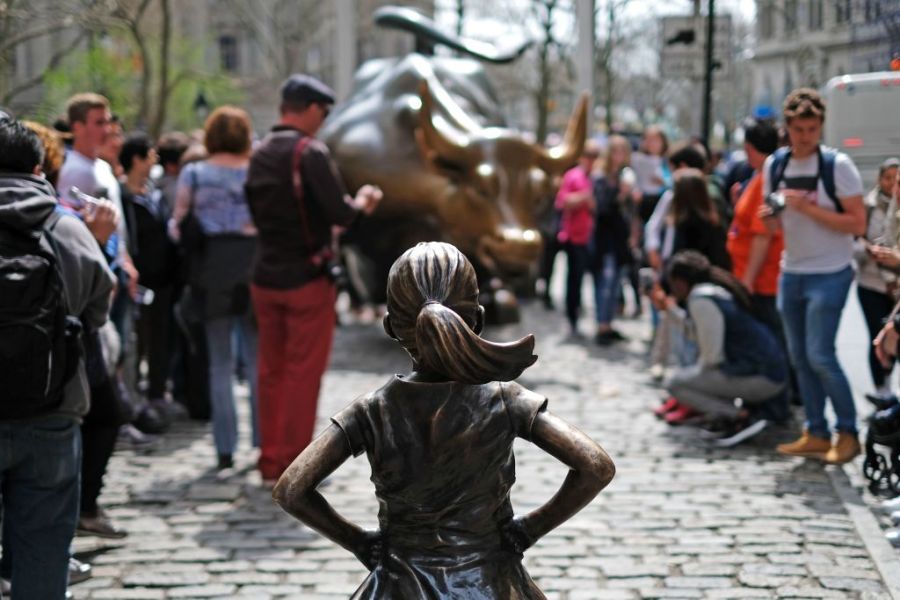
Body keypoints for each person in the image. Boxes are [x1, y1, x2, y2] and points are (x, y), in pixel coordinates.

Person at [272, 241, 616, 597]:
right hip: (490, 584)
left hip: (397, 584)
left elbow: (291, 489)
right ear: (478, 320)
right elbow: (595, 465)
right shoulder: (506, 400)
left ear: (390, 327)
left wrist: (358, 542)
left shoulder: (370, 411)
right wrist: (529, 529)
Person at [244, 74, 382, 484]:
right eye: (322, 112)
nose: (323, 120)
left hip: (264, 275)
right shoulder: (310, 152)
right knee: (303, 372)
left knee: (270, 370)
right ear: (306, 109)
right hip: (306, 276)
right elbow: (342, 215)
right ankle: (293, 463)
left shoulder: (260, 152)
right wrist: (364, 204)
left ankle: (270, 458)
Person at [0, 118, 115, 598]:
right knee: (45, 554)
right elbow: (98, 310)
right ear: (37, 166)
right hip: (51, 409)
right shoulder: (64, 225)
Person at [763, 88, 867, 465]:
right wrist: (772, 215)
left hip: (831, 271)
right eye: (799, 129)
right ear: (787, 129)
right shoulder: (775, 165)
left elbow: (857, 222)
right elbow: (774, 223)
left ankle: (849, 431)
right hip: (792, 271)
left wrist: (806, 207)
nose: (806, 136)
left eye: (812, 128)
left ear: (821, 126)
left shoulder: (837, 166)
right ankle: (816, 431)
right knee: (801, 357)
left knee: (821, 354)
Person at [171, 106, 259, 471]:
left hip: (211, 268)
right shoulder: (256, 171)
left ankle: (225, 448)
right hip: (253, 265)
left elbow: (176, 225)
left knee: (219, 363)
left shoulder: (194, 172)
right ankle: (263, 442)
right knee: (256, 362)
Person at [658, 251, 787, 446]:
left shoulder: (701, 300)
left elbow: (712, 358)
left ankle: (738, 416)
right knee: (689, 377)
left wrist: (694, 377)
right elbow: (698, 334)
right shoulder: (714, 291)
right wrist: (669, 310)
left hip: (762, 378)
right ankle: (731, 414)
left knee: (675, 383)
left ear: (680, 282)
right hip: (768, 373)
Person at [120, 133, 180, 416]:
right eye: (150, 155)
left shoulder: (154, 192)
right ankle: (135, 397)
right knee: (136, 341)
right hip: (138, 281)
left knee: (160, 339)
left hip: (163, 280)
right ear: (136, 159)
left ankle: (156, 392)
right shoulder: (122, 198)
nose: (155, 160)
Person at [855, 158, 900, 399]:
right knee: (879, 336)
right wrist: (870, 251)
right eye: (890, 179)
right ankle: (882, 391)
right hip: (872, 283)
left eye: (898, 180)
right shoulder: (869, 205)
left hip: (896, 288)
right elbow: (856, 239)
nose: (894, 186)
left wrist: (895, 258)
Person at [591, 135, 636, 344]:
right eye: (616, 151)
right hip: (605, 238)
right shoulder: (601, 177)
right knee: (606, 282)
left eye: (623, 151)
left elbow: (629, 212)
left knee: (616, 282)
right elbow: (602, 209)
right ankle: (602, 325)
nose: (619, 156)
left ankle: (608, 323)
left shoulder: (625, 175)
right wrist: (620, 194)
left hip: (620, 239)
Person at [555, 140, 598, 335]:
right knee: (574, 280)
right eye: (588, 156)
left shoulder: (598, 178)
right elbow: (563, 202)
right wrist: (584, 197)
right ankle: (572, 317)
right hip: (574, 237)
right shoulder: (573, 176)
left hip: (594, 237)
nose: (591, 161)